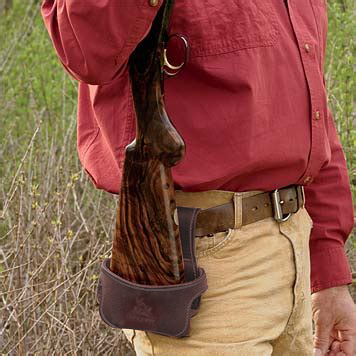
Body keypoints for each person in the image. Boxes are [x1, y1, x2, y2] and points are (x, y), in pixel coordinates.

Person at [40, 0, 356, 355]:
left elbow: (312, 114)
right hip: (201, 269)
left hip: (295, 254)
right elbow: (84, 49)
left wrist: (328, 274)